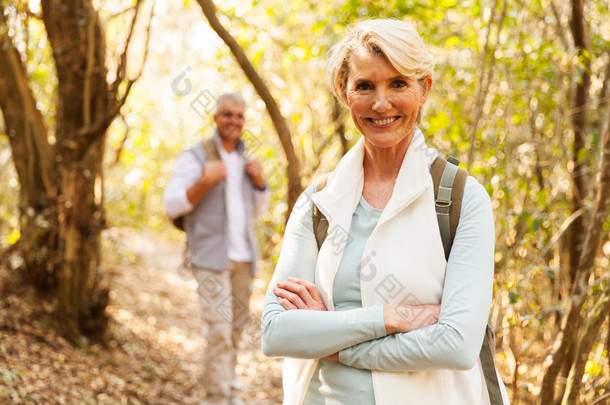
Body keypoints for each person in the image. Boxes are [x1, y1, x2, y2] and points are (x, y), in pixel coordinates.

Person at [261, 19, 510, 404]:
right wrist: (392, 317)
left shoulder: (462, 198)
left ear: (424, 89)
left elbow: (457, 345)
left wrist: (330, 339)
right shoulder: (318, 202)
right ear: (346, 95)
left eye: (398, 83)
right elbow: (277, 333)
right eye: (364, 86)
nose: (381, 103)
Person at [163, 93, 269, 405]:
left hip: (243, 258)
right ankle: (218, 399)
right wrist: (204, 181)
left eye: (238, 116)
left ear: (243, 121)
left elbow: (256, 213)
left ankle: (229, 389)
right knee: (220, 332)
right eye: (226, 114)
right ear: (215, 118)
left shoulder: (246, 160)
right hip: (210, 258)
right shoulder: (196, 157)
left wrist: (260, 183)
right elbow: (171, 205)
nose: (233, 121)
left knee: (235, 332)